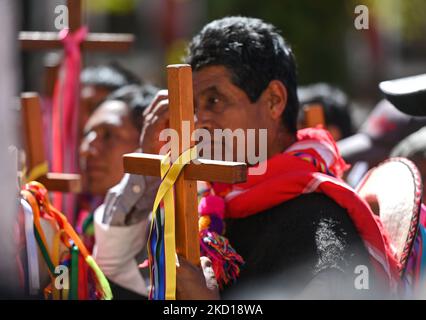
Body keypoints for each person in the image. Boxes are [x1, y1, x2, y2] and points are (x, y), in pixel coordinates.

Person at [94, 16, 399, 300]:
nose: (198, 121)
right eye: (193, 106)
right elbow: (111, 276)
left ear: (274, 101)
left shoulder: (319, 222)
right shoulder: (205, 205)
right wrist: (148, 166)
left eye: (214, 100)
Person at [78, 84, 157, 252]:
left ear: (150, 143)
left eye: (108, 135)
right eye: (87, 135)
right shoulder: (88, 222)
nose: (86, 151)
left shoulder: (164, 232)